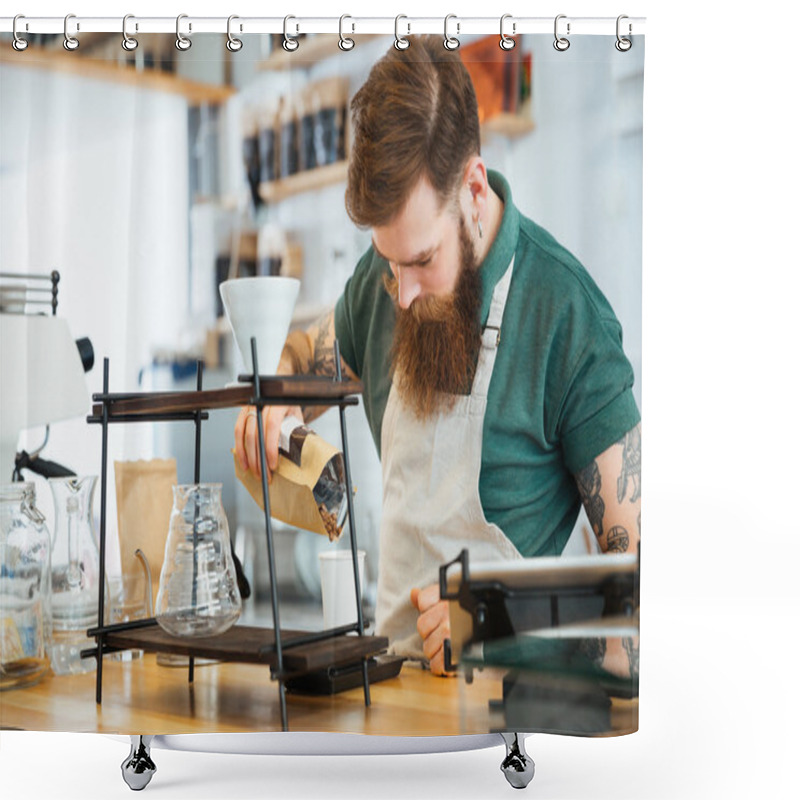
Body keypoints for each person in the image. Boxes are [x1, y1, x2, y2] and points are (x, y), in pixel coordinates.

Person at [234, 36, 640, 679]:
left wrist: (494, 617)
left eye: (423, 260)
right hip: (388, 703)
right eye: (389, 263)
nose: (402, 293)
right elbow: (304, 362)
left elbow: (643, 596)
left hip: (513, 726)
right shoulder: (385, 278)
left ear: (473, 188)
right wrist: (274, 400)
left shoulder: (567, 317)